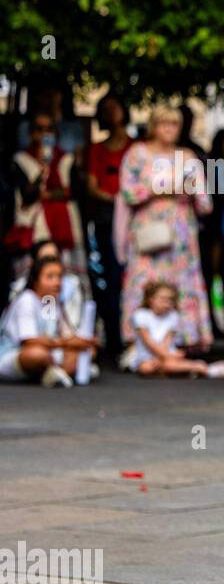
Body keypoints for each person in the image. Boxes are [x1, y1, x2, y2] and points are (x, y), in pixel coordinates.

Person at [118, 106, 213, 354]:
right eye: (164, 124)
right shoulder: (137, 153)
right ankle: (137, 339)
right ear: (154, 126)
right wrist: (162, 188)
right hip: (148, 229)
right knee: (144, 279)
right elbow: (128, 192)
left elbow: (205, 202)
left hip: (180, 231)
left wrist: (191, 191)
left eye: (174, 124)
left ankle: (184, 338)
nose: (170, 129)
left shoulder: (188, 156)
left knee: (181, 280)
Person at [8, 110, 89, 299]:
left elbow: (76, 192)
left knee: (68, 281)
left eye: (50, 129)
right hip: (37, 232)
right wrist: (43, 169)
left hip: (66, 230)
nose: (45, 134)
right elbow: (27, 194)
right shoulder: (20, 160)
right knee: (39, 278)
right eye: (39, 129)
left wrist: (50, 193)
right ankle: (39, 322)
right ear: (30, 133)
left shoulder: (67, 160)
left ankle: (63, 324)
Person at [80, 93, 132, 362]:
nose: (112, 113)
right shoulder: (97, 150)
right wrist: (119, 198)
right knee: (109, 276)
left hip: (133, 220)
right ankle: (113, 336)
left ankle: (133, 336)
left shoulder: (137, 148)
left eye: (116, 107)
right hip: (107, 217)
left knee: (130, 277)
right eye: (106, 109)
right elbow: (91, 186)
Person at [0, 256, 96, 387]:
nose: (57, 282)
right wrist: (67, 343)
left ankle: (54, 373)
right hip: (14, 355)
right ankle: (60, 372)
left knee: (84, 351)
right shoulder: (26, 300)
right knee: (37, 354)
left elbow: (50, 336)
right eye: (50, 277)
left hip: (46, 352)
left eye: (59, 277)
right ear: (36, 280)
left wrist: (80, 342)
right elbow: (29, 341)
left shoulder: (49, 302)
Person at [125, 281, 224, 378]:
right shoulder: (140, 315)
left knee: (165, 365)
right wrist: (164, 356)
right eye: (162, 299)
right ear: (150, 299)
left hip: (167, 354)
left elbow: (167, 341)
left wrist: (164, 356)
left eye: (170, 300)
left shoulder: (173, 316)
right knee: (146, 368)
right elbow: (148, 342)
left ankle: (201, 368)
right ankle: (192, 368)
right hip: (147, 355)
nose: (166, 303)